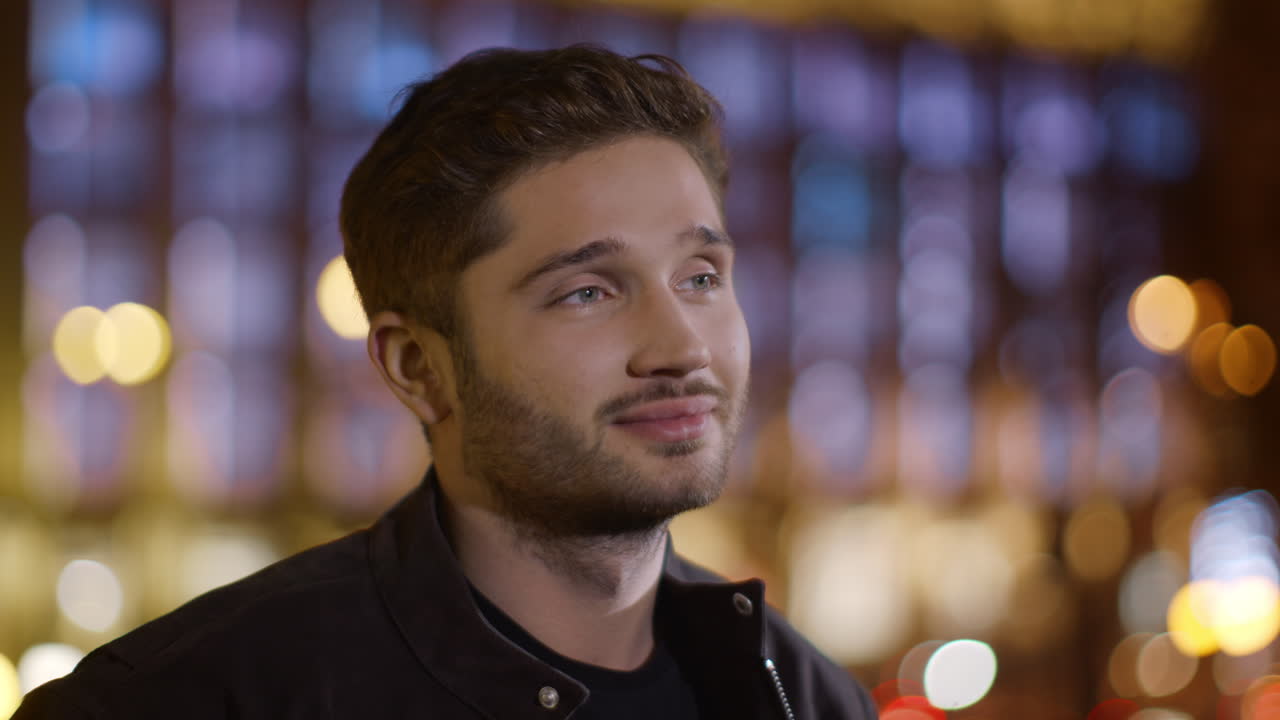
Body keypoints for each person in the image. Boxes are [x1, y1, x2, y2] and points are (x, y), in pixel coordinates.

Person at [15, 45, 877, 719]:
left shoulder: (802, 695)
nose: (681, 344)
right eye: (587, 292)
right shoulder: (181, 702)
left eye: (701, 277)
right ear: (419, 368)